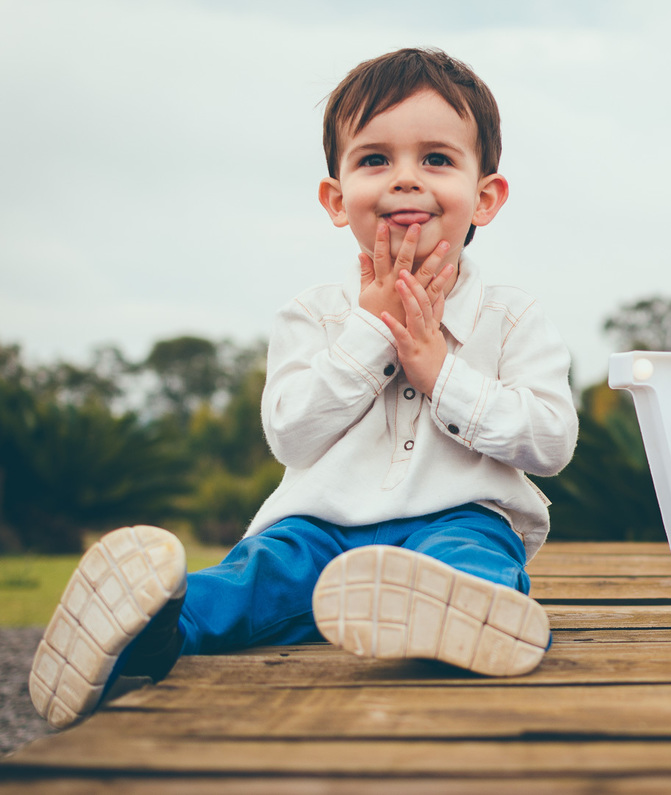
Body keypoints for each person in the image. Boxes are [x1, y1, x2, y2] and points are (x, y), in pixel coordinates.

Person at [29, 47, 578, 730]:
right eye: (375, 159)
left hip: (461, 516)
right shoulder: (312, 314)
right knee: (257, 576)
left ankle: (464, 616)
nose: (405, 179)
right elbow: (291, 432)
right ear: (335, 197)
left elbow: (550, 440)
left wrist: (440, 373)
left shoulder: (512, 317)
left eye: (436, 159)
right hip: (320, 527)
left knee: (466, 560)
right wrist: (371, 332)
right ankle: (146, 630)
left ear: (486, 196)